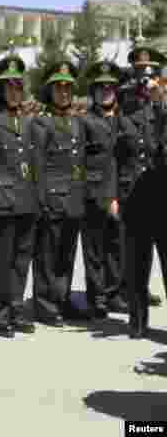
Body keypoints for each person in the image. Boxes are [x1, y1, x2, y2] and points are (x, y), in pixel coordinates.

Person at [29, 60, 112, 325]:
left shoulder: (78, 123)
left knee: (66, 254)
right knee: (47, 255)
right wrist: (42, 199)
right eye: (58, 88)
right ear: (49, 91)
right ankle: (45, 305)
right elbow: (37, 165)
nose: (64, 93)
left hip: (74, 200)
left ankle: (61, 300)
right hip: (52, 197)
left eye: (68, 89)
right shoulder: (41, 123)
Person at [0, 55, 38, 337]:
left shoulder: (27, 124)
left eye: (19, 87)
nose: (16, 92)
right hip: (2, 203)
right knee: (0, 263)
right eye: (10, 87)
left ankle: (15, 308)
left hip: (25, 201)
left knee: (21, 260)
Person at [81, 61, 133, 318]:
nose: (105, 92)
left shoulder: (124, 119)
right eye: (100, 88)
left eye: (110, 87)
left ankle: (114, 294)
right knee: (94, 250)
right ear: (93, 91)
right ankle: (97, 299)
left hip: (120, 192)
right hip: (94, 194)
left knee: (117, 246)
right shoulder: (86, 121)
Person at [122, 44, 167, 337]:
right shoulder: (126, 102)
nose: (145, 80)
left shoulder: (163, 104)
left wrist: (161, 101)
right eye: (140, 73)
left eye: (151, 74)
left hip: (162, 195)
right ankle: (137, 321)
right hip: (136, 196)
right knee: (136, 264)